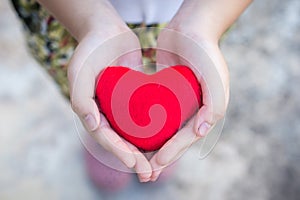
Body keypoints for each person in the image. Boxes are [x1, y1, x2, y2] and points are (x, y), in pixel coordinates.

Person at [11, 0, 252, 191]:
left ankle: (161, 137)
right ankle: (109, 139)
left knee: (186, 93)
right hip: (70, 15)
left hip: (198, 13)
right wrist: (89, 21)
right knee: (88, 90)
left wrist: (205, 23)